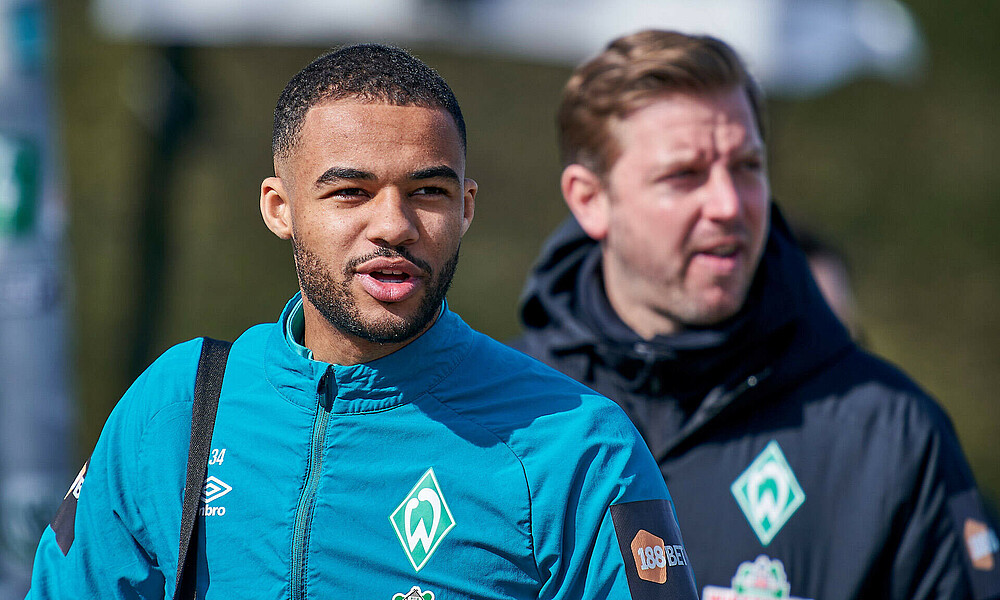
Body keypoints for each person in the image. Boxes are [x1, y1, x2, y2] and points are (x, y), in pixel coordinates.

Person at [26, 44, 699, 599]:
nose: (394, 226)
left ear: (466, 208)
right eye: (350, 192)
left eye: (427, 192)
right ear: (279, 208)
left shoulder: (578, 446)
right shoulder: (176, 407)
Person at [512, 30, 1000, 600]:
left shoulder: (891, 434)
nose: (728, 204)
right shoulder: (502, 423)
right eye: (684, 175)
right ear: (590, 199)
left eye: (747, 166)